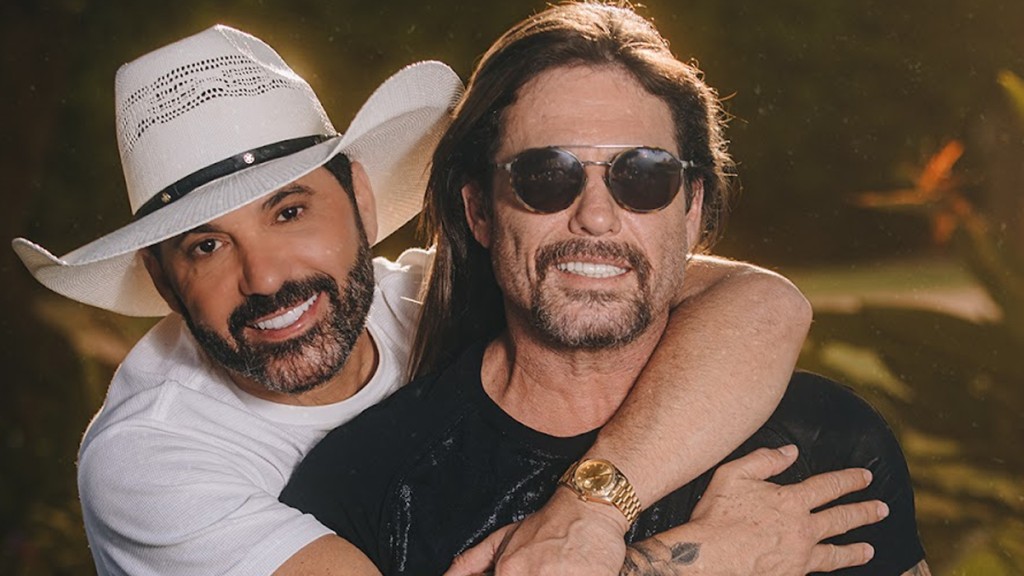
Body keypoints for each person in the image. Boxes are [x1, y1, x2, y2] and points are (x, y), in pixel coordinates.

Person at [13, 21, 826, 576]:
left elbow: (760, 303)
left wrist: (592, 510)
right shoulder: (150, 460)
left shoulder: (416, 298)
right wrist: (693, 562)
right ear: (162, 280)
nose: (263, 278)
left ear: (362, 204)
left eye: (289, 213)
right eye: (205, 246)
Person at [281, 3, 930, 576]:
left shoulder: (823, 446)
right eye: (545, 176)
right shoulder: (359, 490)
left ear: (691, 210)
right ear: (478, 211)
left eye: (643, 176)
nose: (595, 216)